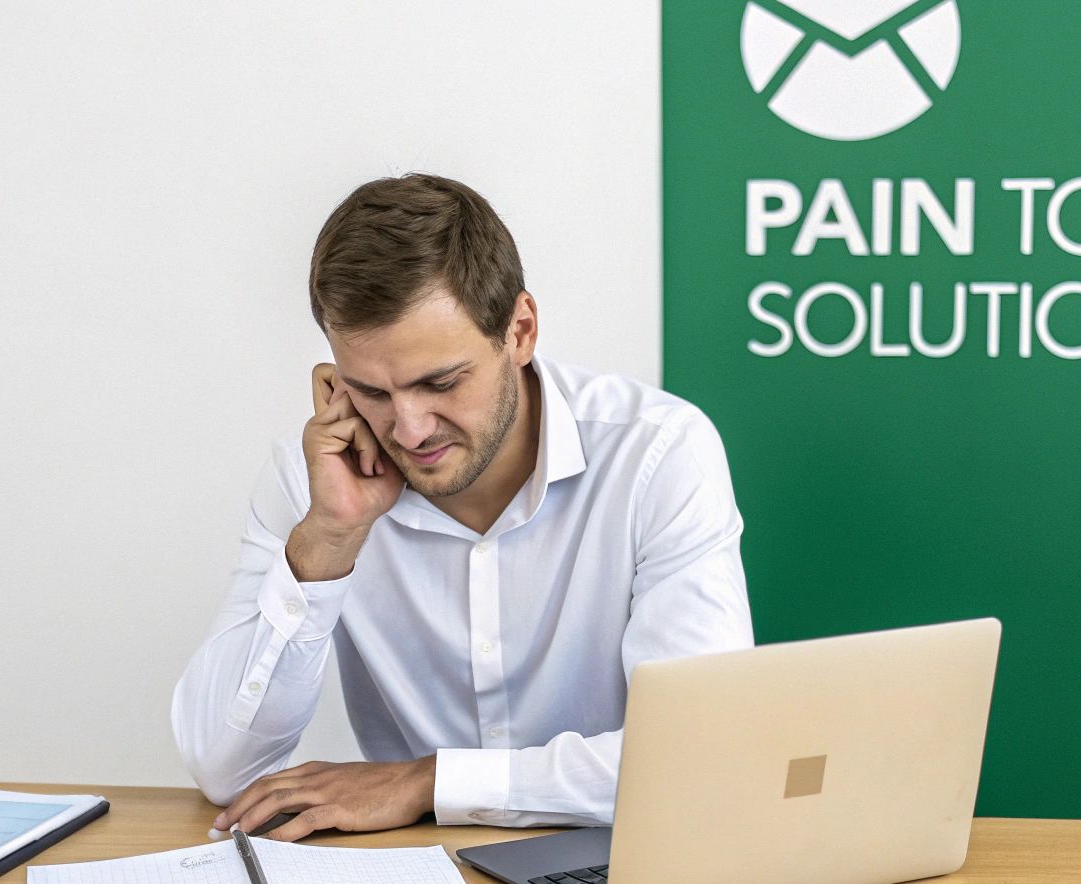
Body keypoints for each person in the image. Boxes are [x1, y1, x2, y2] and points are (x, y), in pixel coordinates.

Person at [171, 173, 753, 841]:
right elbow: (222, 768)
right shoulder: (317, 483)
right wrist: (328, 540)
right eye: (372, 392)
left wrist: (428, 781)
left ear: (521, 331)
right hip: (420, 883)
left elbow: (701, 753)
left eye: (440, 383)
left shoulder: (656, 455)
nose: (410, 429)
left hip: (617, 873)